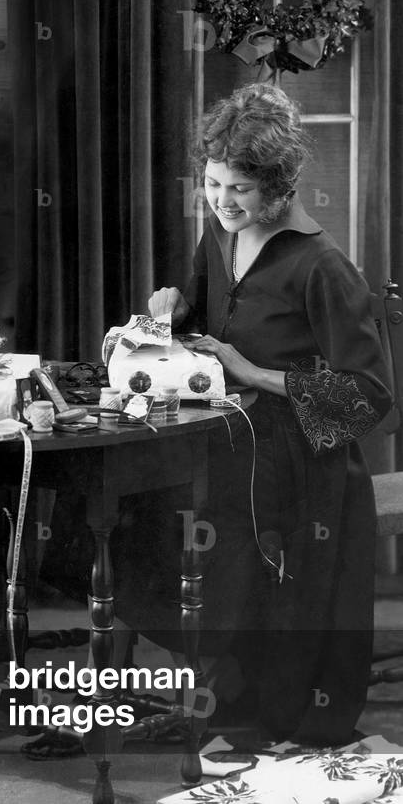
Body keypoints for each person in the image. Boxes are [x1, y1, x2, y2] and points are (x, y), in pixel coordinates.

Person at [136, 82, 391, 744]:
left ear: (277, 189)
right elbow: (205, 318)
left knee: (284, 620)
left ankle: (281, 720)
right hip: (233, 449)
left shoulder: (323, 265)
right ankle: (233, 704)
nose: (222, 201)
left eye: (239, 190)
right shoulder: (219, 237)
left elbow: (369, 395)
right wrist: (173, 312)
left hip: (308, 472)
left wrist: (251, 373)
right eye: (211, 184)